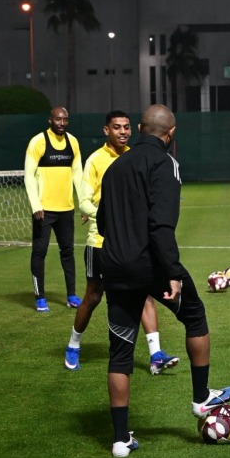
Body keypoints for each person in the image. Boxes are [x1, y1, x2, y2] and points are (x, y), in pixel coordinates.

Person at [97, 104, 230, 458]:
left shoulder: (114, 168)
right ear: (171, 134)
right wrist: (171, 271)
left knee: (120, 353)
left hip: (113, 265)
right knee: (195, 316)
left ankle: (119, 439)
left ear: (140, 128)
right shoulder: (166, 164)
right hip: (152, 265)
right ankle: (201, 398)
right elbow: (161, 225)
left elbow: (101, 223)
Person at [64, 110, 179, 374]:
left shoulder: (135, 156)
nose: (123, 132)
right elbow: (83, 202)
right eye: (117, 127)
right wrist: (115, 217)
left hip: (133, 243)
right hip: (100, 242)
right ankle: (73, 344)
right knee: (93, 296)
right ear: (107, 130)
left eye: (127, 127)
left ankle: (155, 354)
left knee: (146, 293)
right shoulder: (95, 161)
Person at [24, 107, 86, 312]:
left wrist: (83, 204)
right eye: (58, 119)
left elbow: (78, 175)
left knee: (67, 252)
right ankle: (40, 297)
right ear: (50, 120)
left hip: (66, 209)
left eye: (65, 119)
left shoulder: (73, 142)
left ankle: (71, 296)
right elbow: (28, 176)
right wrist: (36, 205)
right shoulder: (38, 142)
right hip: (44, 211)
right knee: (39, 253)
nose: (61, 123)